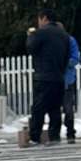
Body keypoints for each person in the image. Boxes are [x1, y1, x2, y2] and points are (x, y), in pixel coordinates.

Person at [26, 10, 68, 146]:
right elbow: (67, 56)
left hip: (44, 77)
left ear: (44, 18)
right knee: (55, 108)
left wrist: (30, 35)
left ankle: (35, 137)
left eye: (39, 20)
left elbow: (30, 48)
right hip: (59, 77)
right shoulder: (64, 35)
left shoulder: (41, 32)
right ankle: (54, 137)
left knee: (38, 108)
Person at [62, 27, 80, 142]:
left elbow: (75, 59)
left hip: (67, 79)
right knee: (54, 108)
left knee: (68, 108)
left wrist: (63, 62)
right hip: (56, 78)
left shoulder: (70, 41)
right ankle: (55, 133)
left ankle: (70, 133)